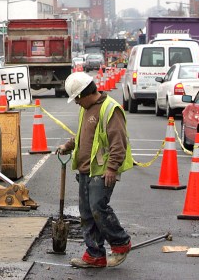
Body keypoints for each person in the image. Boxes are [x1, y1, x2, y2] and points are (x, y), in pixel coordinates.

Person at [57, 72, 133, 268]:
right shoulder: (86, 109)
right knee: (86, 213)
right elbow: (82, 134)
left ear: (84, 94)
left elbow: (119, 143)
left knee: (98, 208)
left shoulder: (110, 109)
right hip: (85, 170)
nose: (76, 103)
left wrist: (112, 168)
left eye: (76, 99)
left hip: (102, 170)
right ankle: (95, 254)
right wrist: (68, 145)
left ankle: (120, 242)